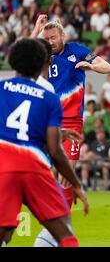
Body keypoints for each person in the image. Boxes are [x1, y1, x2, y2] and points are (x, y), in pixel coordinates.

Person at [0, 38, 89, 247]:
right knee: (65, 233)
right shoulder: (49, 97)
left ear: (12, 61)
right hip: (34, 167)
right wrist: (76, 184)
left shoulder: (2, 88)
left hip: (3, 166)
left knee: (4, 233)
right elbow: (55, 151)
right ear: (44, 63)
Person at [30, 15, 110, 208]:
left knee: (67, 173)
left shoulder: (76, 50)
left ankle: (61, 217)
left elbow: (107, 67)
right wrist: (35, 30)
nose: (50, 42)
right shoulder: (42, 52)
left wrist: (91, 66)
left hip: (72, 121)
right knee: (47, 170)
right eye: (47, 38)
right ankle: (52, 213)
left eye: (53, 38)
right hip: (48, 119)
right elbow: (23, 53)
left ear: (63, 36)